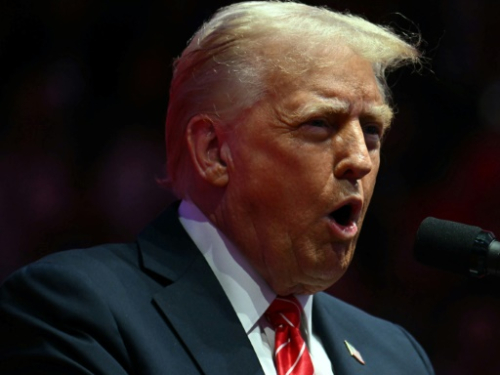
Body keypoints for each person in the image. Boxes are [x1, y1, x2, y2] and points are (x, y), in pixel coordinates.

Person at [0, 2, 434, 374]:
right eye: (320, 123)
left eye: (373, 130)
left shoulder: (396, 356)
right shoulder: (78, 312)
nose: (360, 158)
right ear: (213, 151)